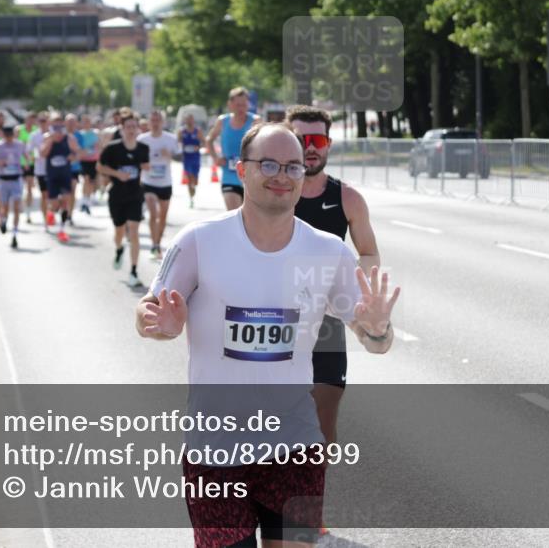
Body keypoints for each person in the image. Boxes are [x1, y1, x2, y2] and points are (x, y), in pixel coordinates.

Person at [136, 122, 399, 548]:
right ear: (241, 170)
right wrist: (158, 325)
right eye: (269, 164)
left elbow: (376, 342)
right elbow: (148, 310)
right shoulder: (199, 241)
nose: (282, 175)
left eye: (293, 166)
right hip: (214, 451)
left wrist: (379, 329)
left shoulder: (329, 251)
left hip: (295, 448)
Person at [287, 105, 380, 448]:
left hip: (325, 324)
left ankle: (311, 497)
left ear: (327, 144)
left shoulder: (347, 198)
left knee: (324, 422)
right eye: (301, 139)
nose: (310, 147)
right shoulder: (273, 193)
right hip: (276, 320)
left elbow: (369, 254)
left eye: (318, 139)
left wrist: (345, 291)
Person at [98, 113, 150, 286]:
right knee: (119, 231)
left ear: (138, 129)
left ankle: (134, 271)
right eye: (128, 127)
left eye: (134, 127)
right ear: (122, 129)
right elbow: (99, 167)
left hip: (135, 195)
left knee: (133, 230)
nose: (131, 130)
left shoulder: (143, 148)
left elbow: (145, 166)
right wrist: (116, 174)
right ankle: (119, 248)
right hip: (117, 196)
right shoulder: (112, 148)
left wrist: (146, 166)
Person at [205, 87, 259, 210]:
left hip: (250, 177)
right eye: (238, 105)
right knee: (234, 212)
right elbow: (209, 140)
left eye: (244, 105)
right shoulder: (223, 121)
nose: (241, 108)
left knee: (249, 219)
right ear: (230, 104)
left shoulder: (255, 121)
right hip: (229, 176)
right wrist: (216, 158)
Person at [137, 109, 178, 259]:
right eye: (152, 120)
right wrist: (143, 165)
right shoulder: (142, 139)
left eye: (158, 120)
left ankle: (158, 242)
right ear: (148, 122)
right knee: (153, 213)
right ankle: (154, 244)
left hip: (165, 183)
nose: (155, 123)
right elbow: (135, 160)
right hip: (148, 182)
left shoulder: (170, 138)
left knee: (163, 216)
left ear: (163, 122)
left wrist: (170, 155)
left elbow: (180, 157)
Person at [40, 113, 80, 243]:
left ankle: (62, 229)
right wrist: (51, 140)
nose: (57, 128)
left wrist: (72, 157)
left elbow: (76, 153)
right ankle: (51, 212)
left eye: (59, 125)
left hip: (65, 175)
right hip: (52, 175)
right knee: (54, 204)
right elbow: (43, 154)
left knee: (66, 200)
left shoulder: (70, 138)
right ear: (50, 125)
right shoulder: (47, 137)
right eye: (54, 125)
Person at [0, 125, 26, 249]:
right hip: (3, 181)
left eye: (11, 136)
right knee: (5, 207)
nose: (9, 139)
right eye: (7, 136)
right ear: (3, 135)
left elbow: (26, 156)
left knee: (16, 206)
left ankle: (15, 233)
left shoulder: (19, 145)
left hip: (16, 179)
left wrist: (26, 164)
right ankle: (4, 220)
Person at [27, 112, 51, 228]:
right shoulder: (34, 135)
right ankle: (45, 219)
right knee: (44, 195)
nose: (43, 123)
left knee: (56, 195)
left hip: (54, 169)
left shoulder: (54, 133)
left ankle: (52, 213)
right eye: (41, 120)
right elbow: (29, 151)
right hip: (41, 169)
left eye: (45, 120)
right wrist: (34, 156)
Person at [177, 113, 205, 208]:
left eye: (191, 119)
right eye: (187, 119)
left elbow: (204, 142)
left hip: (195, 157)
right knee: (189, 178)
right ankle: (191, 198)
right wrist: (181, 147)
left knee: (195, 180)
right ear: (185, 121)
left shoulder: (198, 131)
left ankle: (193, 189)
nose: (189, 121)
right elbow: (178, 142)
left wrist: (199, 146)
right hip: (186, 158)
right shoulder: (181, 131)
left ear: (193, 120)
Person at [17, 113, 38, 224]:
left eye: (32, 120)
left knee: (29, 187)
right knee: (20, 188)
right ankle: (20, 205)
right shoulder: (19, 130)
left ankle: (28, 212)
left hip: (32, 163)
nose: (30, 122)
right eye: (28, 120)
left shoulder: (36, 130)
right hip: (20, 163)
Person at [78, 114, 100, 212]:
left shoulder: (95, 133)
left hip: (93, 161)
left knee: (91, 182)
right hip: (83, 161)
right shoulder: (80, 134)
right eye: (84, 121)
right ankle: (84, 200)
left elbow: (99, 146)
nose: (86, 123)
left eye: (88, 121)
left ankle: (87, 199)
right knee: (86, 179)